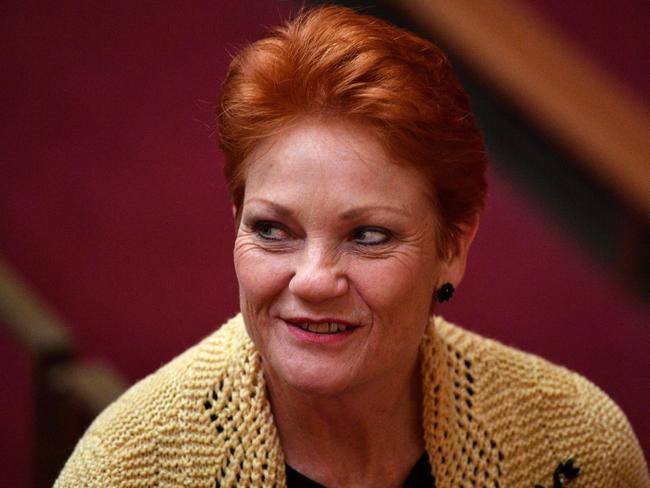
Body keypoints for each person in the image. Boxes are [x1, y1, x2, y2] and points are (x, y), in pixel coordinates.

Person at [55, 5, 648, 487]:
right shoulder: (124, 469)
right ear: (236, 222)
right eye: (272, 229)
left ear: (453, 246)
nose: (313, 280)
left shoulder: (576, 449)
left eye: (368, 236)